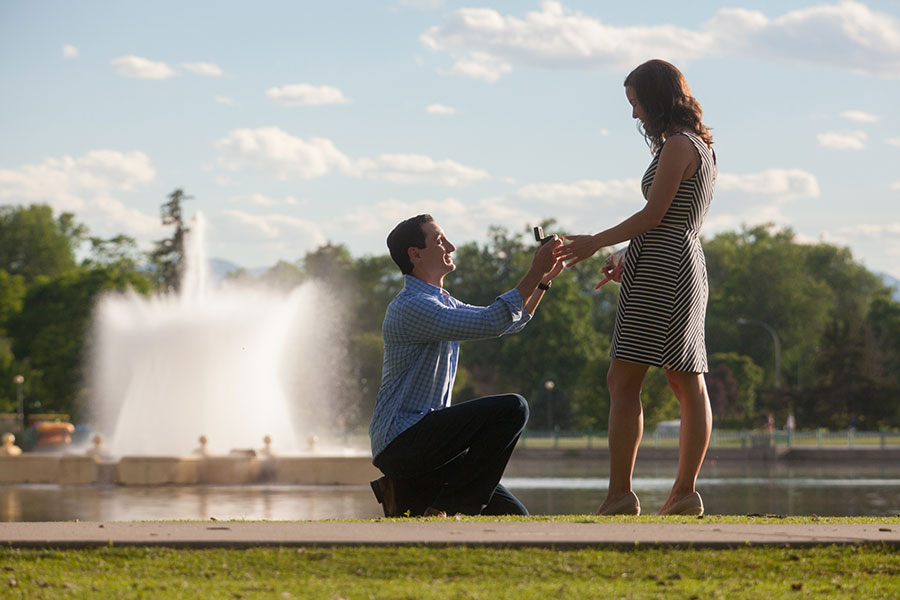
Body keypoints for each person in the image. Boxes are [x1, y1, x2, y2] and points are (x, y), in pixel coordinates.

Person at [555, 59, 717, 516]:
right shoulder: (695, 146)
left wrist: (592, 243)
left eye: (636, 103)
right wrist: (627, 257)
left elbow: (654, 216)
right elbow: (672, 220)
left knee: (628, 378)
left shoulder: (678, 147)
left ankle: (623, 495)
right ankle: (680, 493)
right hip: (670, 264)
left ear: (658, 99)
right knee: (683, 380)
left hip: (666, 270)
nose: (634, 116)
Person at [369, 214, 563, 517]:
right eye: (439, 240)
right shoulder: (412, 306)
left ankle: (413, 494)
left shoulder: (441, 301)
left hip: (428, 447)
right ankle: (448, 506)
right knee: (513, 408)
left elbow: (509, 323)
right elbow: (492, 321)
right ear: (415, 254)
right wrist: (534, 269)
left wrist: (542, 281)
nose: (451, 246)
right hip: (404, 442)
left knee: (514, 517)